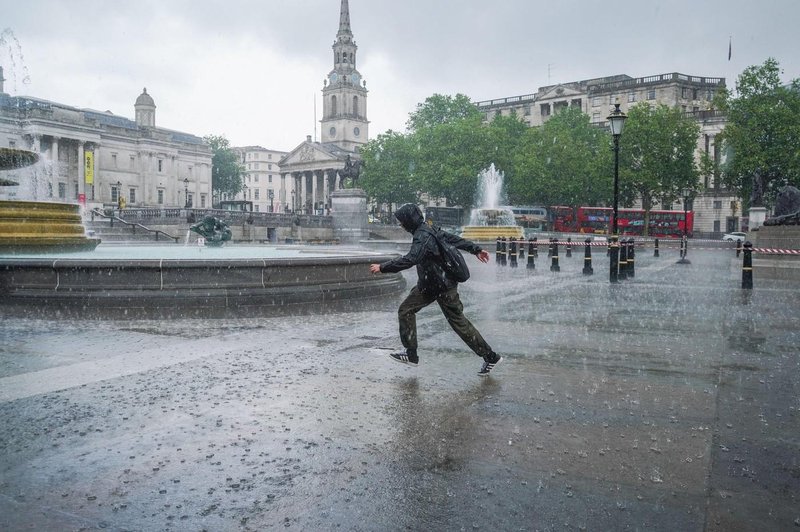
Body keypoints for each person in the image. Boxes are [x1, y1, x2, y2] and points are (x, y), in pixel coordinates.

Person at [369, 203, 503, 376]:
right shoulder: (428, 229)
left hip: (443, 287)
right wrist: (475, 249)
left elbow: (411, 259)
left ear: (409, 221)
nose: (400, 225)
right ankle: (411, 355)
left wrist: (383, 267)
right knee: (406, 310)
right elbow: (454, 239)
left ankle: (490, 356)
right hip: (430, 285)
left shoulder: (422, 236)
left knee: (458, 323)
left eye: (402, 221)